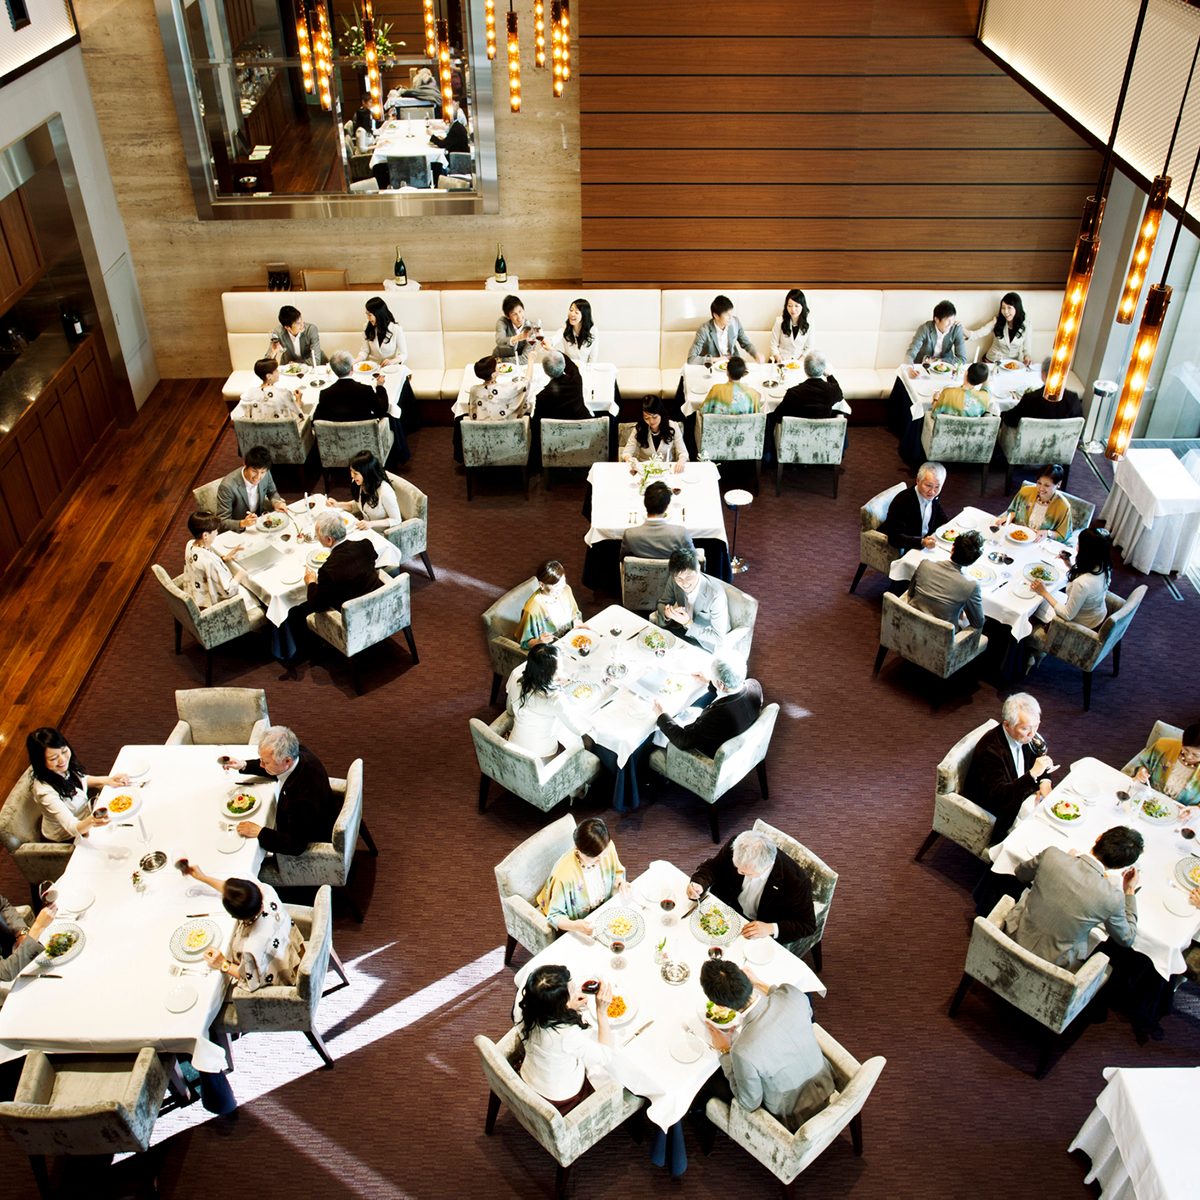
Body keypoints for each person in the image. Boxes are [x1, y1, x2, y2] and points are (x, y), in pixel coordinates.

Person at [698, 959, 835, 1133]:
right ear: (745, 978)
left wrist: (725, 1050)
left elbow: (749, 1103)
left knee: (710, 1083)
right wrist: (759, 982)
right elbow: (787, 999)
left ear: (720, 1005)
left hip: (794, 1114)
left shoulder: (742, 1051)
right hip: (826, 1080)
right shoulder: (793, 994)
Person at [1004, 826, 1142, 970]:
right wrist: (1130, 890)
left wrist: (1066, 860)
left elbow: (1020, 874)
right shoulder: (1113, 898)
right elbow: (1127, 938)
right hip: (1055, 965)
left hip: (1012, 935)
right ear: (1120, 867)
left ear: (1099, 837)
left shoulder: (1052, 855)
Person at [179, 862, 304, 990]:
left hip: (281, 975)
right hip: (291, 949)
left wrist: (223, 963)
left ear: (235, 917)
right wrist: (203, 877)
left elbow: (250, 981)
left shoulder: (250, 947)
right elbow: (235, 892)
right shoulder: (267, 891)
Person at [220, 726, 339, 857]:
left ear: (287, 761)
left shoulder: (302, 798)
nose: (261, 765)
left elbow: (295, 845)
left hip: (312, 834)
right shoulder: (297, 751)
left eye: (265, 763)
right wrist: (244, 764)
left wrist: (259, 832)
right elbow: (274, 766)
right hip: (318, 811)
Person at [283, 509, 383, 663]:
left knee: (296, 610)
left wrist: (310, 582)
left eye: (318, 535)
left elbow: (317, 605)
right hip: (380, 606)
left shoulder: (328, 570)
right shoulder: (365, 545)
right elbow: (373, 561)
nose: (316, 537)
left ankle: (305, 653)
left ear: (329, 540)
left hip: (353, 619)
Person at [686, 829, 815, 944]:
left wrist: (770, 928)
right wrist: (699, 883)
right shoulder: (736, 846)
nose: (738, 873)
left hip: (757, 928)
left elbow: (807, 925)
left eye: (744, 872)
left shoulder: (796, 882)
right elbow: (713, 867)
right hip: (726, 910)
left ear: (767, 866)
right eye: (737, 868)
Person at [515, 965, 614, 1108]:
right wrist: (601, 1011)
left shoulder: (528, 1005)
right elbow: (605, 1055)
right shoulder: (567, 1034)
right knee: (608, 1075)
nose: (576, 991)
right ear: (558, 1006)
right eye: (572, 990)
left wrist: (568, 1006)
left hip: (530, 1076)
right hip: (559, 1097)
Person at [964, 692, 1057, 845]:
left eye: (1037, 725)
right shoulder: (990, 751)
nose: (1033, 733)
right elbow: (998, 796)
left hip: (1023, 794)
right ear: (1007, 725)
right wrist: (1032, 774)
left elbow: (1040, 760)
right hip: (997, 808)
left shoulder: (1027, 735)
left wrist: (1045, 781)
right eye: (1025, 728)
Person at [25, 727, 129, 842]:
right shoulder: (44, 792)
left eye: (64, 751)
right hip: (67, 836)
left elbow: (81, 780)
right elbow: (73, 828)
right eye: (53, 758)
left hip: (87, 817)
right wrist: (94, 820)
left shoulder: (61, 767)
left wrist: (108, 780)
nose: (62, 760)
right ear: (40, 762)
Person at [1028, 526, 1112, 666]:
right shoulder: (1104, 566)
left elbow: (1067, 615)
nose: (1077, 547)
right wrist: (1069, 564)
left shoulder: (1082, 584)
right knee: (1048, 598)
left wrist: (1043, 592)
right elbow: (1086, 582)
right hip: (1096, 616)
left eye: (1079, 545)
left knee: (1034, 606)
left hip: (1080, 625)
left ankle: (1032, 651)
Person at [654, 655, 762, 758]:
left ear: (721, 685)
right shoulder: (754, 685)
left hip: (708, 752)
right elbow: (729, 690)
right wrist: (709, 682)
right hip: (735, 730)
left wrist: (662, 715)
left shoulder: (717, 715)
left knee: (661, 729)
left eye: (712, 675)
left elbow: (683, 741)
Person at [535, 817, 629, 935]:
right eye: (594, 859)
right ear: (577, 849)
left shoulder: (607, 848)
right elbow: (554, 916)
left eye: (603, 855)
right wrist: (575, 925)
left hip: (601, 911)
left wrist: (620, 882)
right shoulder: (564, 875)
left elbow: (617, 870)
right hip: (578, 922)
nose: (600, 862)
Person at [505, 643, 586, 760]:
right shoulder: (555, 698)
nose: (562, 670)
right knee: (582, 740)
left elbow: (509, 710)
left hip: (513, 745)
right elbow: (578, 730)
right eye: (559, 669)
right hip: (541, 756)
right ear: (547, 674)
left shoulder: (515, 679)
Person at [906, 529, 985, 630]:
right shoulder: (972, 586)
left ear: (952, 548)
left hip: (909, 624)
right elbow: (978, 623)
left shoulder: (925, 564)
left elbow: (910, 593)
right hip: (941, 640)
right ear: (973, 561)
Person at [182, 511, 258, 615]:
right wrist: (240, 574)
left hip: (198, 594)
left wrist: (223, 558)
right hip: (217, 606)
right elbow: (229, 592)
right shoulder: (210, 562)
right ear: (205, 535)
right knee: (255, 592)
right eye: (215, 531)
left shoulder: (190, 544)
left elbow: (202, 566)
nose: (217, 532)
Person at [654, 547, 730, 652]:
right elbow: (663, 602)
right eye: (679, 578)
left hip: (704, 642)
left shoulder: (716, 596)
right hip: (681, 630)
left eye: (688, 577)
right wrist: (667, 615)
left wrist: (688, 623)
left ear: (698, 569)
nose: (684, 584)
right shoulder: (673, 579)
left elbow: (718, 638)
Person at [215, 445, 288, 533]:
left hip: (260, 523)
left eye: (262, 472)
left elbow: (272, 492)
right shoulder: (227, 486)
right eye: (254, 471)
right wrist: (242, 523)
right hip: (239, 531)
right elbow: (221, 521)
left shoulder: (266, 473)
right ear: (245, 464)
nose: (258, 477)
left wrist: (277, 503)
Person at [1126, 721, 1200, 807]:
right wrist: (1141, 771)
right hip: (1147, 799)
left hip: (1182, 813)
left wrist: (1197, 809)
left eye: (1196, 755)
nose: (1189, 756)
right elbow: (1142, 764)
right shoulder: (1164, 746)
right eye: (1186, 750)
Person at [327, 450, 402, 532]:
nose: (352, 476)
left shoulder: (385, 492)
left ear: (367, 473)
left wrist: (371, 524)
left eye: (355, 473)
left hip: (382, 534)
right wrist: (338, 504)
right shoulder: (358, 483)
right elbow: (357, 505)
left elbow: (396, 520)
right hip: (365, 530)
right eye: (351, 471)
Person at [997, 463, 1073, 542]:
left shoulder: (1063, 507)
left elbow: (1063, 535)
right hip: (1016, 537)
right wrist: (1010, 517)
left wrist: (1048, 533)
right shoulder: (1025, 492)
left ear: (1059, 484)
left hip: (1039, 543)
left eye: (1046, 485)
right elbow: (1013, 510)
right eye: (1039, 483)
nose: (1041, 488)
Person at [883, 462, 949, 551]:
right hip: (909, 547)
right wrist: (921, 542)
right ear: (918, 480)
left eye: (937, 487)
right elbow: (894, 538)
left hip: (928, 541)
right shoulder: (902, 502)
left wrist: (947, 527)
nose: (932, 492)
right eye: (928, 486)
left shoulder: (932, 496)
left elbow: (940, 517)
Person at [621, 480, 694, 559]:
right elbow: (694, 558)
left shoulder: (630, 534)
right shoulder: (681, 533)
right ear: (667, 506)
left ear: (644, 503)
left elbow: (623, 559)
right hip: (673, 571)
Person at [516, 559, 582, 648]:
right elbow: (524, 642)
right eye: (556, 586)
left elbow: (575, 613)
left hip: (570, 640)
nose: (561, 588)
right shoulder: (532, 609)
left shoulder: (566, 590)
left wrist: (577, 622)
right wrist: (538, 642)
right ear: (542, 585)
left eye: (563, 582)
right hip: (549, 649)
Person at [1002, 356, 1084, 426]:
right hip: (1062, 444)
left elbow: (1009, 420)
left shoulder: (1030, 398)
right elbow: (1079, 426)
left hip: (1030, 443)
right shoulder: (1073, 399)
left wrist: (1002, 415)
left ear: (1043, 375)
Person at [313, 351, 389, 424]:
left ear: (334, 370)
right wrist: (380, 387)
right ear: (352, 368)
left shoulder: (325, 394)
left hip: (336, 436)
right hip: (365, 435)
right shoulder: (365, 390)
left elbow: (317, 420)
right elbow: (381, 411)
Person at [688, 295, 762, 364]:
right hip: (714, 366)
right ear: (716, 315)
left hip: (733, 365)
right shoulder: (704, 330)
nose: (731, 318)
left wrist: (756, 354)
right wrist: (717, 359)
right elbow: (691, 359)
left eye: (731, 314)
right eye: (727, 315)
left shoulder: (735, 322)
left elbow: (746, 343)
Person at [1, 894, 56, 984]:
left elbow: (3, 905)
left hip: (11, 945)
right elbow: (6, 972)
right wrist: (38, 927)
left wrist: (21, 932)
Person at [621, 396, 688, 469]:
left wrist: (681, 461)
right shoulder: (640, 428)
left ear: (661, 414)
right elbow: (626, 452)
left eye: (654, 417)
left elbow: (683, 452)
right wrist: (630, 460)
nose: (651, 421)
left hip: (665, 468)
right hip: (644, 469)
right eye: (646, 418)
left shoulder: (673, 426)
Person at [969, 292, 1032, 365]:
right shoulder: (997, 321)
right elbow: (976, 334)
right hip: (992, 361)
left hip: (1011, 364)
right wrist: (961, 329)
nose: (1005, 312)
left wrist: (1027, 358)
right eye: (1003, 308)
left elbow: (1027, 351)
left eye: (1009, 308)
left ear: (1017, 308)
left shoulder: (1027, 325)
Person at [234, 358, 304, 422]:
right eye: (276, 370)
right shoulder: (284, 393)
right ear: (269, 376)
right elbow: (297, 415)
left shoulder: (249, 393)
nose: (278, 372)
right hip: (281, 432)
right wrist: (298, 399)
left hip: (258, 432)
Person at [533, 349, 590, 423]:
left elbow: (537, 423)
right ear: (564, 365)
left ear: (545, 371)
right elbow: (571, 364)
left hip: (557, 432)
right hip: (584, 427)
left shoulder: (542, 397)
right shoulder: (575, 379)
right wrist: (552, 349)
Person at [467, 354, 529, 421]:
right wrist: (530, 361)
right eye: (497, 366)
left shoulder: (473, 389)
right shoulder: (503, 389)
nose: (498, 367)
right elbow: (525, 384)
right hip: (505, 429)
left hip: (479, 429)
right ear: (493, 375)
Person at [906, 300, 966, 365]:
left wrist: (938, 361)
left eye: (953, 320)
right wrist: (909, 367)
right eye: (948, 320)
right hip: (925, 365)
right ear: (936, 319)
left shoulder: (956, 329)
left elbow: (962, 359)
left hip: (946, 366)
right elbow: (911, 352)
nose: (951, 324)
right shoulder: (924, 329)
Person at [930, 361, 997, 417]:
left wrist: (935, 399)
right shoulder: (985, 397)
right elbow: (986, 386)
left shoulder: (947, 393)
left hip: (944, 430)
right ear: (982, 381)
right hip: (970, 431)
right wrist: (984, 373)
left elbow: (934, 414)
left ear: (966, 373)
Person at [356, 296, 407, 366]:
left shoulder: (396, 329)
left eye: (370, 315)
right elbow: (365, 351)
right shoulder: (366, 327)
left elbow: (404, 354)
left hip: (390, 367)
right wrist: (355, 361)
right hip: (372, 367)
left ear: (379, 314)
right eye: (366, 314)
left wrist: (392, 361)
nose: (368, 318)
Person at [551, 298, 597, 366]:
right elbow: (555, 338)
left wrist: (588, 372)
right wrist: (549, 342)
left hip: (585, 369)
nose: (572, 314)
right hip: (568, 368)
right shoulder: (565, 328)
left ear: (584, 315)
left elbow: (593, 357)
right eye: (571, 310)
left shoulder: (593, 331)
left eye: (576, 312)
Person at [769, 289, 811, 363]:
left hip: (800, 362)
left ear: (802, 306)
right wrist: (779, 360)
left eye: (796, 306)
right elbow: (773, 345)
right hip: (781, 361)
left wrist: (798, 363)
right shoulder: (779, 321)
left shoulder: (810, 322)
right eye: (790, 306)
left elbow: (809, 347)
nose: (793, 309)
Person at [495, 294, 539, 361]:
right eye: (514, 314)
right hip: (497, 361)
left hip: (513, 363)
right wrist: (518, 337)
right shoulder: (503, 321)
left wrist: (501, 360)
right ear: (508, 316)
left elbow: (525, 358)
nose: (519, 317)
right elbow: (499, 340)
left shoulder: (532, 327)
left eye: (520, 311)